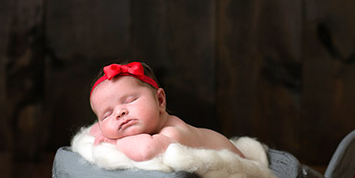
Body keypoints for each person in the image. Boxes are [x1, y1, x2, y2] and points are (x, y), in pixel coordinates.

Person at [88, 61, 245, 162]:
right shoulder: (149, 127)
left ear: (160, 100)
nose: (119, 113)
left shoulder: (174, 131)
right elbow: (94, 130)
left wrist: (115, 142)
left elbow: (146, 150)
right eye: (106, 115)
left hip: (239, 170)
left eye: (130, 101)